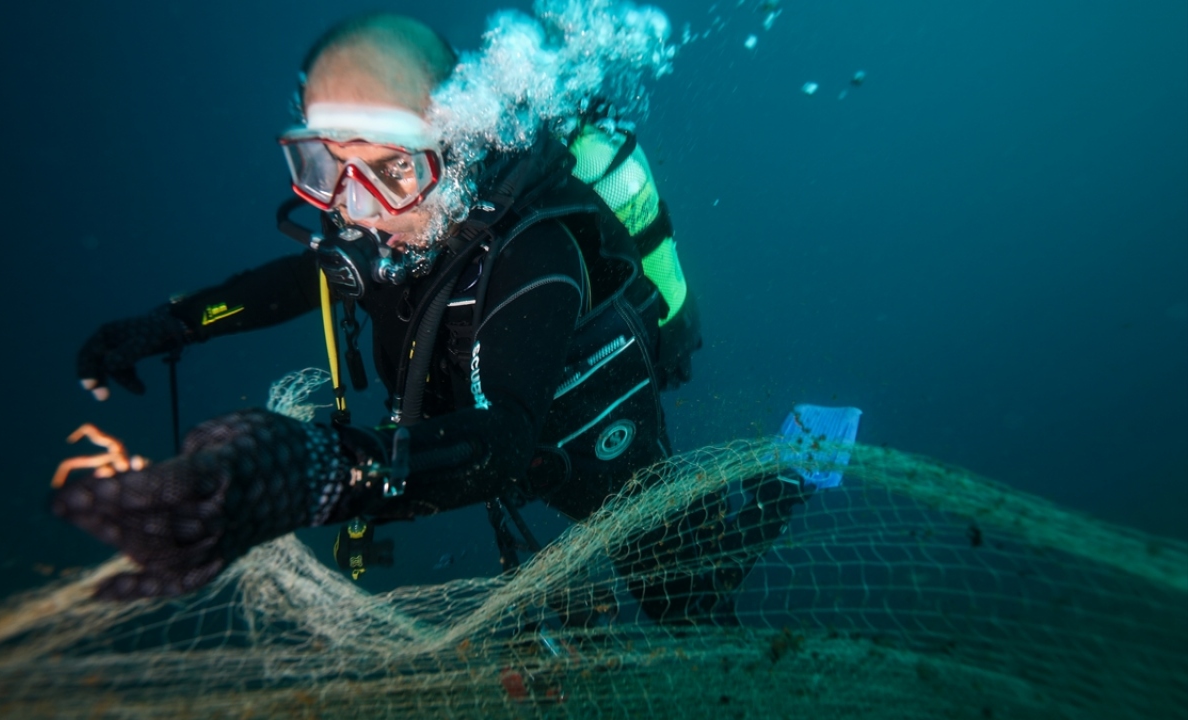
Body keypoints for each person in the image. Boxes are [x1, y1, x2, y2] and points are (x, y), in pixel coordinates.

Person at [57, 12, 806, 625]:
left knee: (681, 593)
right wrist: (173, 323)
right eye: (327, 171)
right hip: (483, 444)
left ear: (454, 147)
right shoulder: (389, 232)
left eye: (393, 172)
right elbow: (299, 281)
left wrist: (321, 475)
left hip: (586, 438)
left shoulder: (536, 253)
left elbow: (506, 440)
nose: (359, 212)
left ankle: (792, 478)